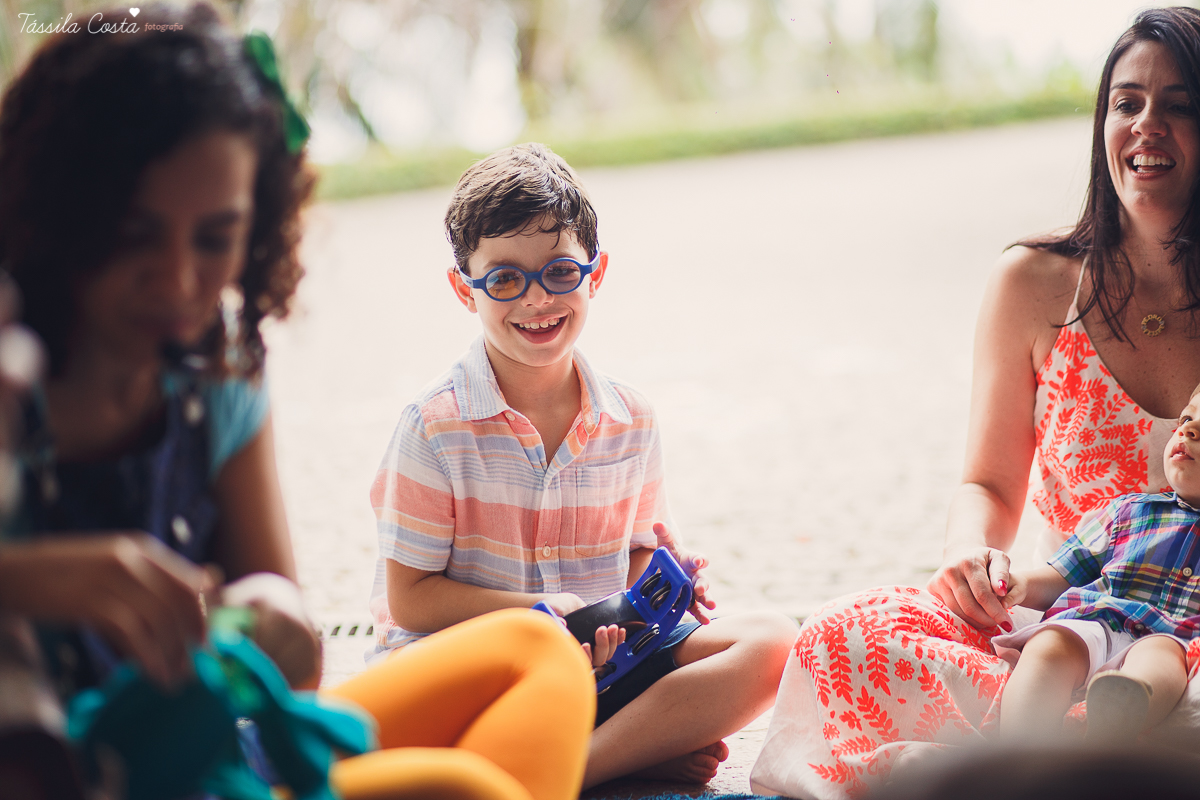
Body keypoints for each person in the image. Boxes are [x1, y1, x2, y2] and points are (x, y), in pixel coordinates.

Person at [0, 7, 593, 800]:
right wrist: (37, 581)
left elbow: (290, 632)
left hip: (201, 748)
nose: (178, 280)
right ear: (58, 205)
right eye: (136, 234)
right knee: (463, 789)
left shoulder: (219, 368)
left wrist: (267, 616)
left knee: (538, 650)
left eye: (215, 238)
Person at [751, 7, 1200, 799]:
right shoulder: (1033, 283)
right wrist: (974, 557)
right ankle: (1077, 748)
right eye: (1127, 103)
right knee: (840, 634)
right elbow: (989, 487)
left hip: (1187, 641)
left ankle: (1026, 760)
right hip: (1063, 626)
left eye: (1180, 104)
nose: (1146, 126)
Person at [368, 141, 798, 788]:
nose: (537, 300)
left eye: (559, 272)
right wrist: (542, 614)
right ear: (465, 290)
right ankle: (621, 749)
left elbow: (634, 552)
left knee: (771, 643)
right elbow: (410, 599)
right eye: (505, 279)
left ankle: (569, 769)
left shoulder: (631, 418)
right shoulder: (433, 426)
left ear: (594, 274)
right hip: (480, 673)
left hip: (602, 659)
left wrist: (660, 583)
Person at [994, 386, 1200, 741]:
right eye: (1187, 418)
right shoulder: (1127, 511)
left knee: (1162, 666)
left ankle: (1112, 723)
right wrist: (1022, 585)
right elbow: (1062, 573)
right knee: (1050, 646)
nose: (1188, 430)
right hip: (1095, 618)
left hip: (1168, 635)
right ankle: (1019, 750)